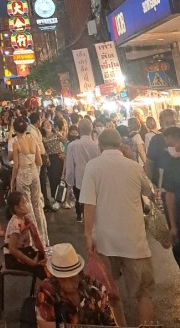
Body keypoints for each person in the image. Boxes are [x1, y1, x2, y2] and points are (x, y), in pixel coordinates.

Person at [81, 128, 154, 326]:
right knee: (144, 293)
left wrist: (88, 236)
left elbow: (89, 205)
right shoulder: (134, 166)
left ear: (100, 146)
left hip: (105, 240)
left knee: (110, 291)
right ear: (120, 144)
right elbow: (149, 191)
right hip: (134, 240)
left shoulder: (93, 167)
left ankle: (120, 325)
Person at [36, 243, 117, 327]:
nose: (68, 282)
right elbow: (43, 324)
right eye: (63, 278)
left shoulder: (96, 287)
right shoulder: (46, 289)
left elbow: (110, 322)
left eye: (71, 277)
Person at [10, 116, 49, 247]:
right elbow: (39, 161)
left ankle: (34, 241)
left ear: (15, 129)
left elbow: (16, 166)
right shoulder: (33, 140)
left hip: (23, 174)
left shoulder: (16, 144)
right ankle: (43, 239)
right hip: (34, 173)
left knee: (27, 206)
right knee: (37, 204)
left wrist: (12, 181)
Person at [3, 190, 47, 278]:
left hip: (22, 251)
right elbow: (12, 249)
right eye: (23, 203)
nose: (26, 205)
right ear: (16, 208)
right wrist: (31, 262)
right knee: (41, 269)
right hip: (13, 259)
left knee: (45, 260)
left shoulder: (23, 219)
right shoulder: (16, 223)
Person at [65, 118, 100, 223]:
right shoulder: (97, 145)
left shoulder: (72, 146)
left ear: (79, 130)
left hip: (79, 180)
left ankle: (84, 222)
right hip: (94, 180)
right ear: (91, 129)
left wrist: (69, 183)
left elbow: (70, 167)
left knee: (82, 204)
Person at [161, 124, 180, 268]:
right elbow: (170, 195)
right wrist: (173, 225)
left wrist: (173, 225)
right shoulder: (172, 163)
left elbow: (170, 195)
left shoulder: (172, 163)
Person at [146, 107, 178, 185]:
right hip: (163, 184)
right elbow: (149, 164)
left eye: (173, 122)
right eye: (167, 123)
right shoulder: (156, 140)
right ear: (161, 123)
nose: (171, 126)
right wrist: (152, 184)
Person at [41, 117, 64, 211]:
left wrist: (64, 153)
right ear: (42, 127)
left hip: (58, 158)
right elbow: (43, 150)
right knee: (52, 179)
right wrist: (46, 158)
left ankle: (60, 198)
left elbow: (66, 142)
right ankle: (55, 199)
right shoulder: (42, 138)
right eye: (45, 124)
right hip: (50, 159)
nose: (48, 125)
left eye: (49, 124)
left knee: (59, 178)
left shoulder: (56, 134)